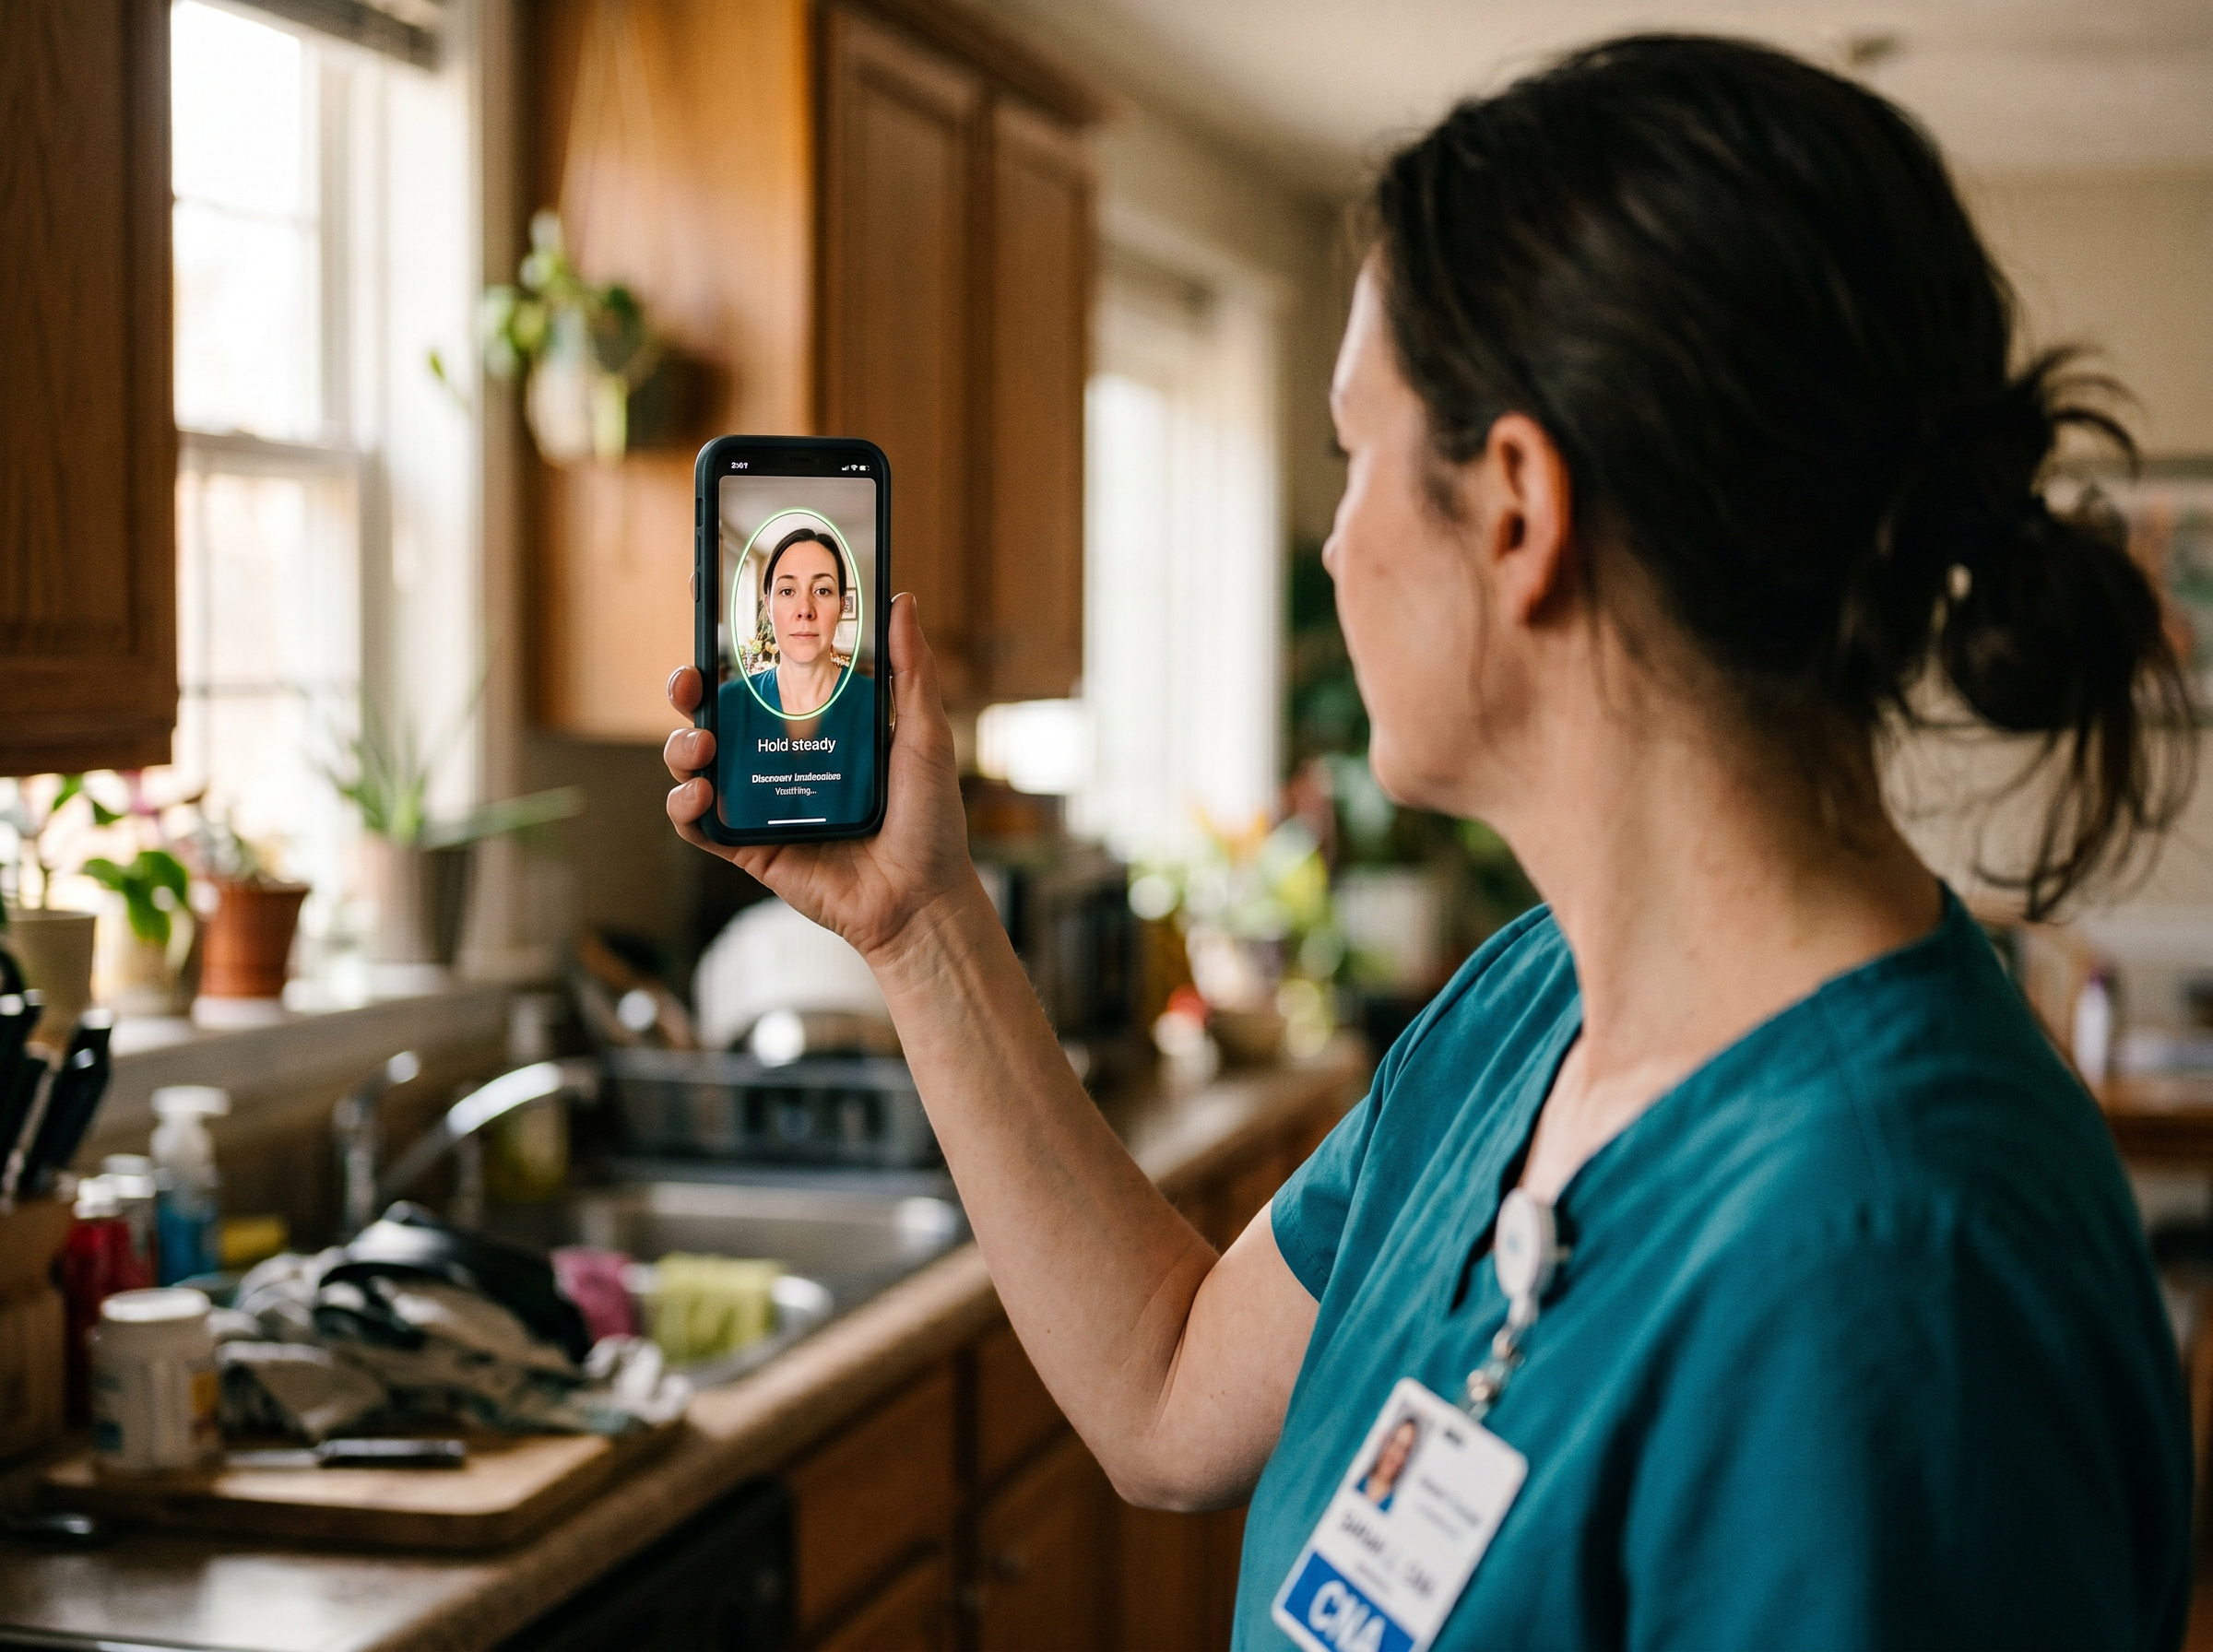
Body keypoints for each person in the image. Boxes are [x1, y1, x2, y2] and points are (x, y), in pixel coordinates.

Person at [664, 33, 2195, 1648]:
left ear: (1518, 509)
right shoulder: (1531, 1005)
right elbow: (1167, 1392)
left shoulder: (1896, 1287)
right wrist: (922, 924)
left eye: (1354, 456)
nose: (1333, 545)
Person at [716, 525, 875, 830]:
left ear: (842, 606)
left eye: (822, 590)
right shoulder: (731, 704)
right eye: (788, 591)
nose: (805, 610)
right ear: (768, 606)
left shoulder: (873, 702)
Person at [1357, 1415, 1420, 1513]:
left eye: (1404, 1449)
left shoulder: (1395, 1506)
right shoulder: (1355, 1479)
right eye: (1393, 1442)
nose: (1394, 1454)